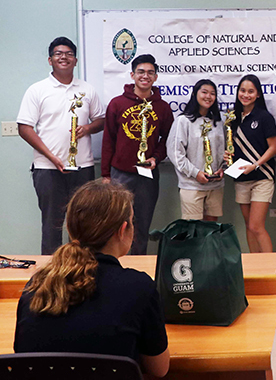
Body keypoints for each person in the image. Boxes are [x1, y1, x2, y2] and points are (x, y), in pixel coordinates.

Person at [14, 180, 170, 377]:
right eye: (132, 221)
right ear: (122, 230)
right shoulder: (140, 288)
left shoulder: (36, 287)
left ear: (70, 229)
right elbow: (159, 369)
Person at [17, 37, 105, 255]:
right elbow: (24, 128)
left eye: (68, 54)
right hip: (48, 169)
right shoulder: (37, 90)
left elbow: (101, 120)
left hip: (82, 168)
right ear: (50, 60)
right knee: (52, 226)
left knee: (84, 225)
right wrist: (51, 156)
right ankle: (51, 276)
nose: (63, 57)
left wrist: (87, 129)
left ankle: (81, 273)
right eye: (58, 53)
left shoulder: (87, 90)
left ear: (75, 60)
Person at [101, 54, 173, 255]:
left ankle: (138, 264)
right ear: (132, 75)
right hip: (120, 174)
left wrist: (156, 158)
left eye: (150, 72)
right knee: (117, 222)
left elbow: (169, 139)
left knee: (142, 222)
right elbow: (108, 140)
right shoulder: (117, 104)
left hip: (147, 176)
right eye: (141, 72)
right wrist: (106, 175)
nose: (145, 76)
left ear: (156, 77)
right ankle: (116, 264)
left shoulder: (162, 107)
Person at [230, 74, 276, 254]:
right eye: (243, 91)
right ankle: (254, 266)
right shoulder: (233, 118)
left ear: (258, 94)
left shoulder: (264, 117)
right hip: (241, 177)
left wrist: (256, 164)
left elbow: (274, 147)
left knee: (256, 225)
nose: (246, 95)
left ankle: (269, 270)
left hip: (262, 177)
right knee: (248, 226)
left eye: (251, 91)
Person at [166, 79, 225, 222]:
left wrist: (223, 169)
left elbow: (224, 150)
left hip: (215, 185)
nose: (208, 96)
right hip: (191, 185)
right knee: (193, 230)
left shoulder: (219, 122)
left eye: (212, 93)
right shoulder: (183, 121)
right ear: (194, 94)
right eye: (204, 92)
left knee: (211, 229)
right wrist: (195, 173)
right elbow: (175, 153)